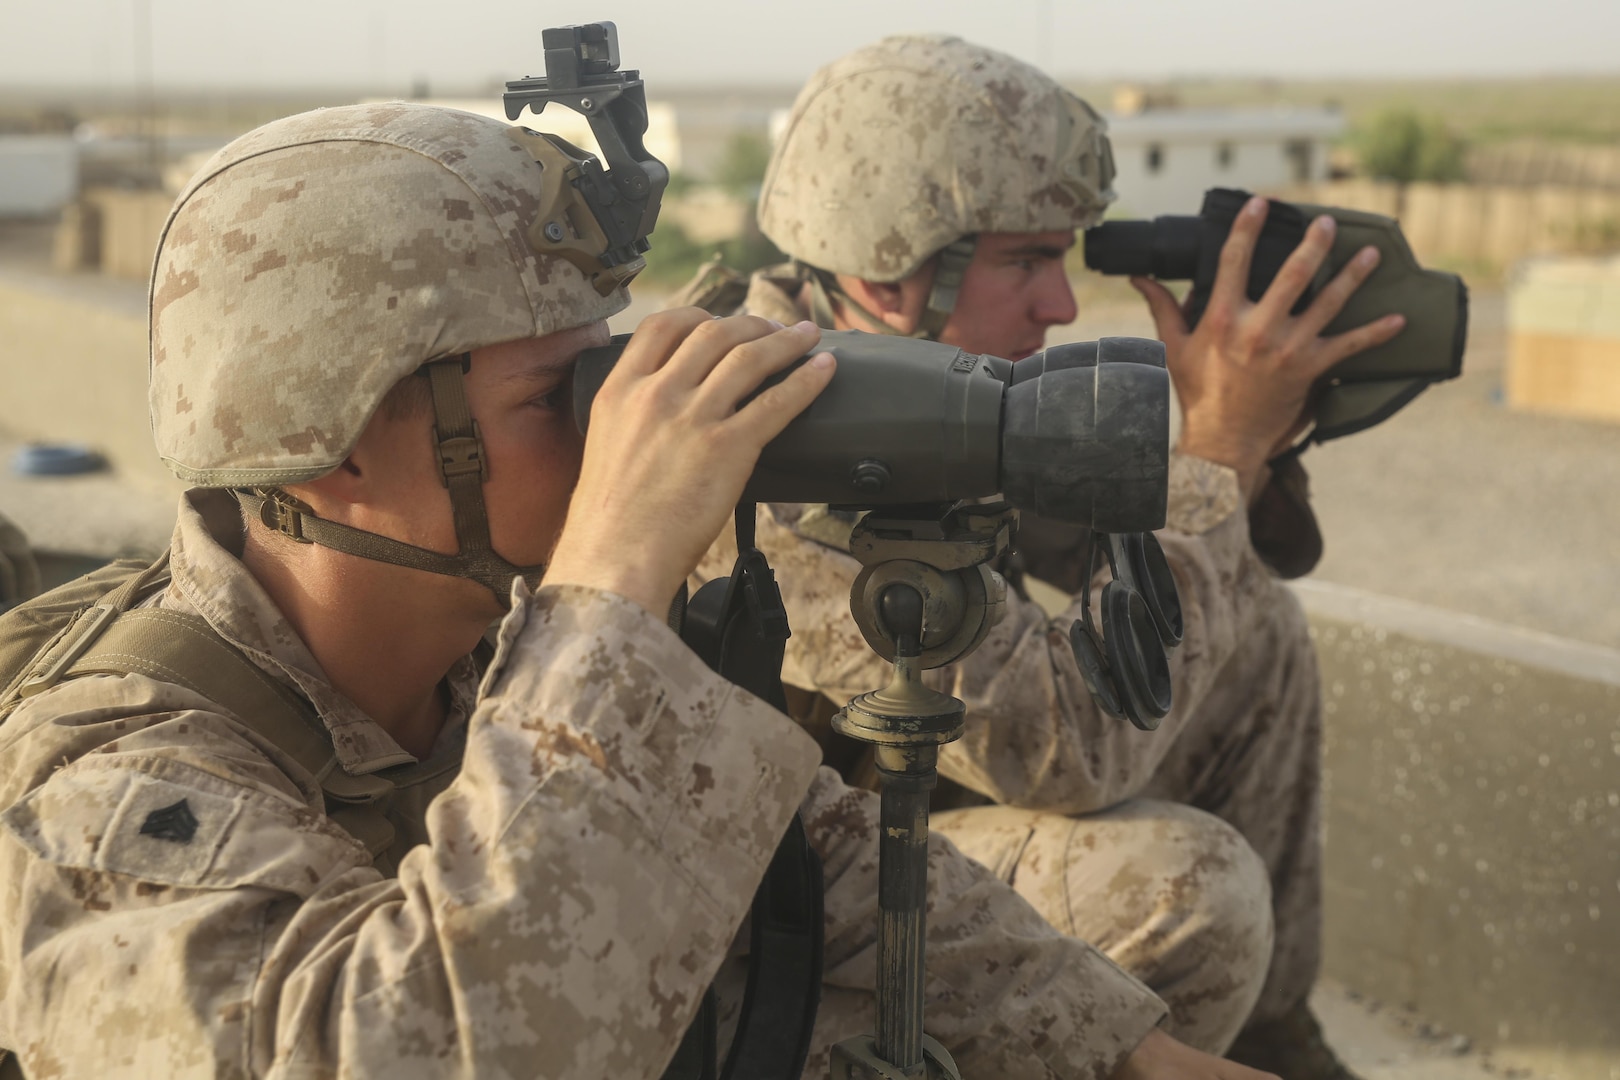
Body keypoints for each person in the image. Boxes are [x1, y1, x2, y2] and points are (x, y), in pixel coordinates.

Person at [0, 102, 1284, 1079]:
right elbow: (419, 1046)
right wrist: (610, 584)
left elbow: (802, 862)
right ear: (334, 451)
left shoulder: (476, 655)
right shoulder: (110, 786)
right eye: (556, 397)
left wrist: (1130, 1056)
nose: (620, 422)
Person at [684, 35, 1406, 1079]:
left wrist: (1246, 436)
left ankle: (1271, 1040)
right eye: (1025, 261)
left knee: (1252, 626)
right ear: (889, 269)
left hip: (898, 806)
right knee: (1184, 890)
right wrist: (1219, 451)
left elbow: (1131, 555)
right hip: (779, 920)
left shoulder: (908, 374)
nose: (1061, 305)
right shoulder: (769, 444)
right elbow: (1061, 747)